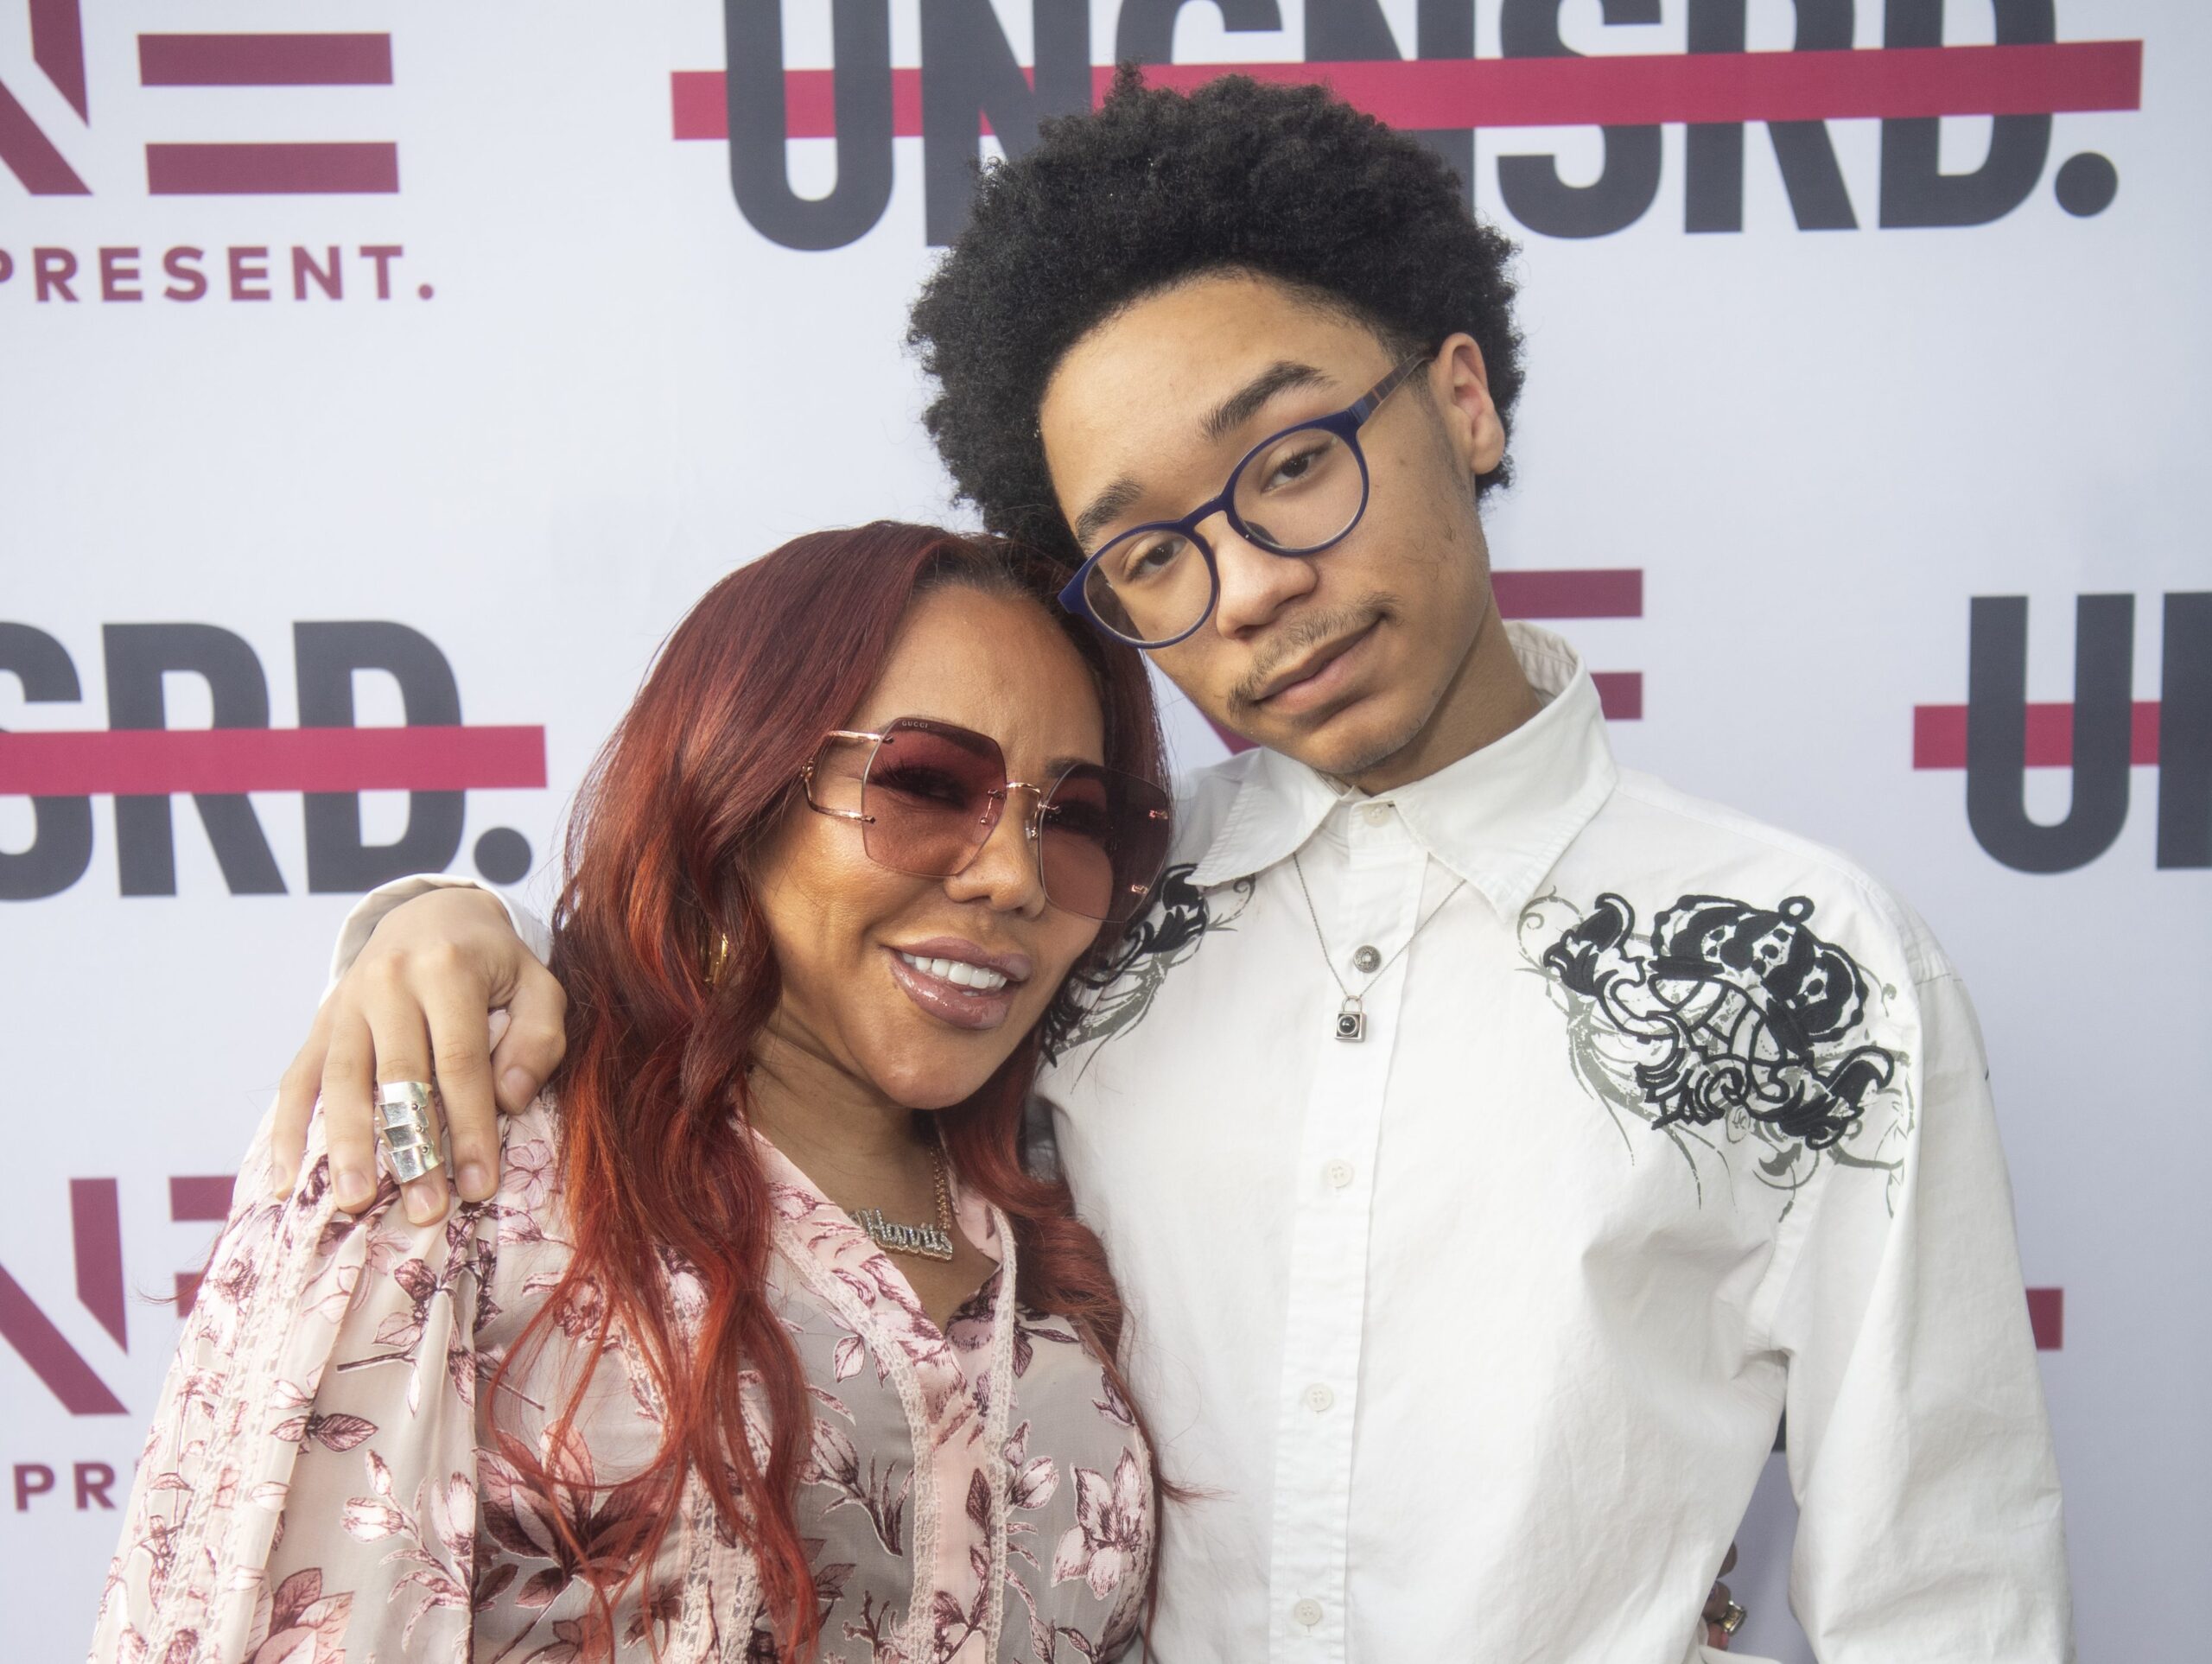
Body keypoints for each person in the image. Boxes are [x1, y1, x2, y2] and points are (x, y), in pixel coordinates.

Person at [264, 77, 2070, 1660]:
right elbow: (759, 999)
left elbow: (1945, 1591)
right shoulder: (1080, 903)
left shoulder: (1802, 965)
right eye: (1148, 554)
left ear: (1462, 400)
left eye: (1292, 463)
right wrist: (448, 926)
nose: (1256, 587)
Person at [90, 524, 1181, 1662]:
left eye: (1076, 820)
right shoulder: (466, 1150)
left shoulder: (1078, 1190)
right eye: (925, 785)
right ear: (739, 780)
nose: (1014, 876)